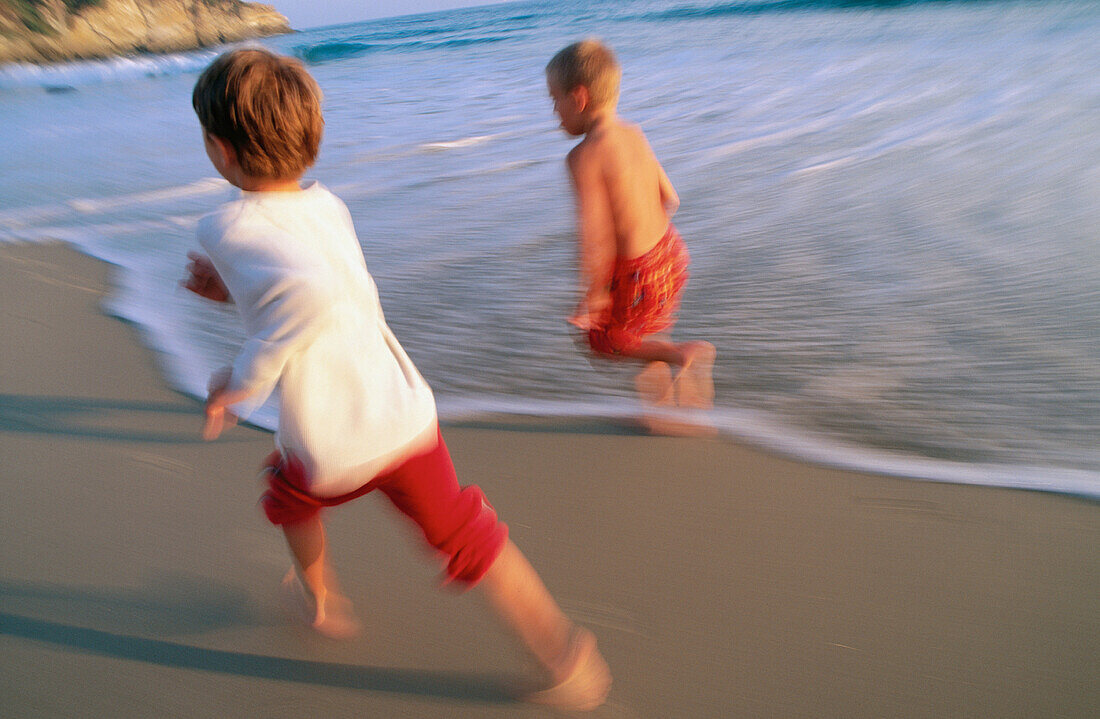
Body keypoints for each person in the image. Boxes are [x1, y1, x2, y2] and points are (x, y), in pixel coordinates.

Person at [184, 48, 609, 711]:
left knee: (288, 496)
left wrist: (236, 382)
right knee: (469, 536)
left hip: (330, 443)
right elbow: (311, 289)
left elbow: (304, 297)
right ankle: (564, 654)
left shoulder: (222, 224)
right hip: (405, 415)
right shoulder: (328, 207)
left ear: (219, 149)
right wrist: (233, 290)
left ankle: (320, 599)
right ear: (312, 138)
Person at [547, 39, 715, 410]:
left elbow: (595, 237)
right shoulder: (633, 132)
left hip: (640, 272)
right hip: (671, 252)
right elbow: (670, 196)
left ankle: (683, 356)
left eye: (554, 100)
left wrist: (595, 296)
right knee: (647, 330)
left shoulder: (583, 156)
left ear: (579, 97)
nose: (553, 112)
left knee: (606, 342)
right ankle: (662, 408)